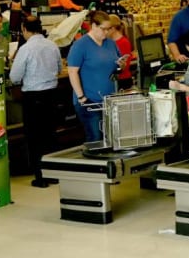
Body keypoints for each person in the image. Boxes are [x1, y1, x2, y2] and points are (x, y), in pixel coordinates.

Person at [10, 16, 62, 188]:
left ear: (24, 29)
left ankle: (40, 177)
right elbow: (59, 68)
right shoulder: (52, 45)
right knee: (50, 134)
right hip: (52, 95)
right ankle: (54, 173)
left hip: (33, 97)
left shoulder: (25, 49)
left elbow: (15, 77)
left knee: (35, 137)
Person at [67, 11, 125, 142]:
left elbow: (116, 68)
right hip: (90, 101)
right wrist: (82, 97)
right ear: (93, 26)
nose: (106, 33)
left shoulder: (110, 43)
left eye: (109, 29)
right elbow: (72, 72)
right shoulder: (80, 45)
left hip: (109, 100)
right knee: (95, 138)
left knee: (111, 138)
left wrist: (120, 66)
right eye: (103, 29)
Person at [108, 14, 134, 90]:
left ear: (112, 29)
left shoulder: (123, 43)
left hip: (123, 81)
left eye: (107, 29)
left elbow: (124, 66)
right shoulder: (110, 42)